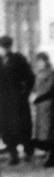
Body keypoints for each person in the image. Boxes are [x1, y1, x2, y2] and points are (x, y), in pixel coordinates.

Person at [0, 35, 35, 164]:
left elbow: (30, 77)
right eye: (3, 47)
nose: (4, 49)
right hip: (3, 101)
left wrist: (25, 93)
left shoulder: (19, 59)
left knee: (22, 126)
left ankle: (28, 151)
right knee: (5, 127)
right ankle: (12, 153)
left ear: (10, 46)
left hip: (18, 99)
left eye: (6, 46)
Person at [28, 53, 54, 167]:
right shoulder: (39, 73)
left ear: (46, 61)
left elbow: (50, 89)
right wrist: (32, 96)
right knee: (43, 132)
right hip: (40, 106)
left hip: (48, 104)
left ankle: (52, 156)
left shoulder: (51, 73)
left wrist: (37, 98)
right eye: (38, 61)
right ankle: (48, 154)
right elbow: (35, 88)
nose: (39, 63)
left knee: (49, 132)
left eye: (41, 61)